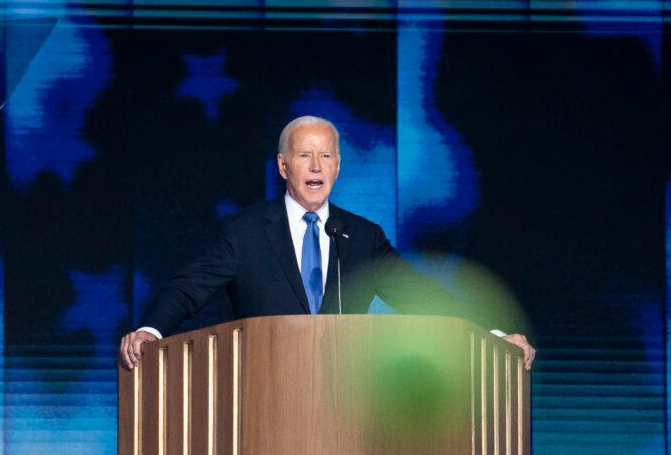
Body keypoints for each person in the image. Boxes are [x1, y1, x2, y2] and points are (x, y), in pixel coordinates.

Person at [119, 115, 536, 370]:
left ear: (338, 166)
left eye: (326, 156)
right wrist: (149, 330)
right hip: (262, 399)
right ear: (284, 167)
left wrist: (493, 334)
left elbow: (421, 295)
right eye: (304, 156)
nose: (316, 166)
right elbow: (188, 288)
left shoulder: (363, 238)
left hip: (344, 410)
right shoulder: (244, 233)